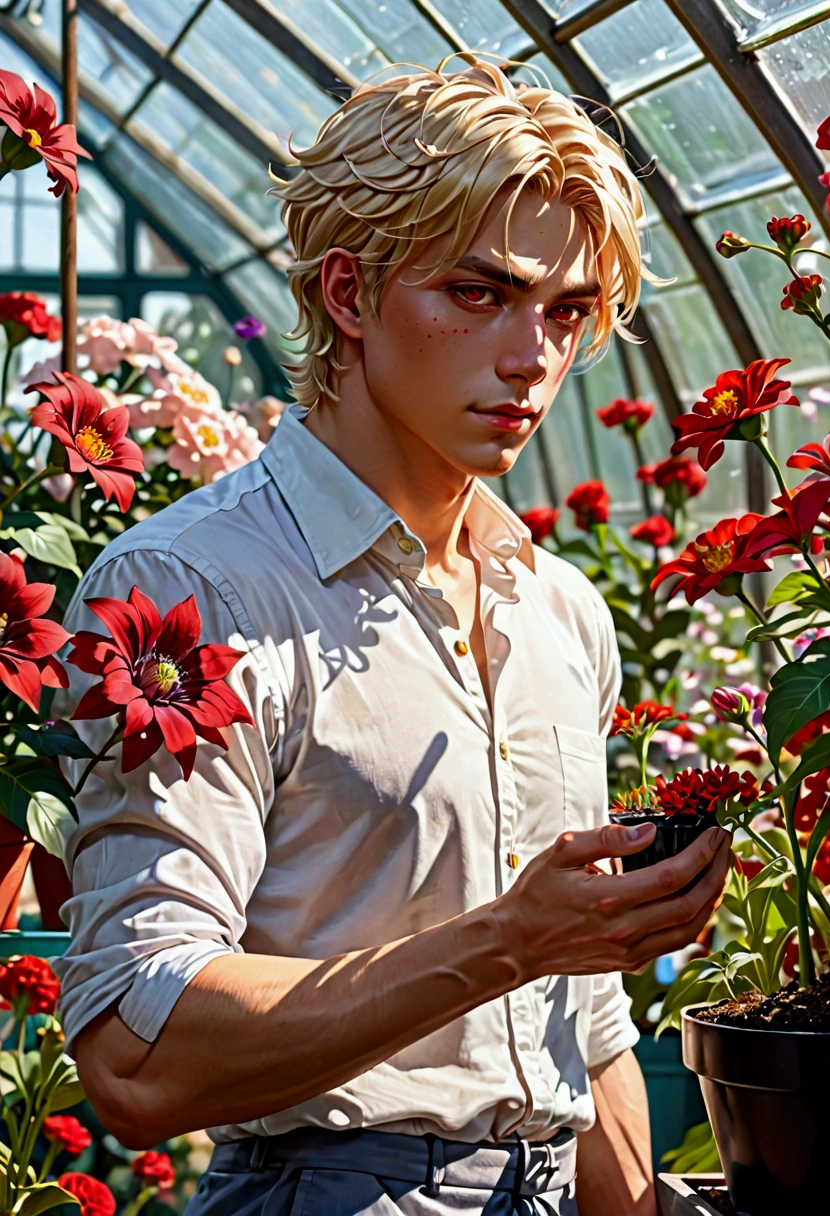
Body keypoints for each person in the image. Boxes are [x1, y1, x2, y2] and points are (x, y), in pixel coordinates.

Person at [55, 57, 731, 1216]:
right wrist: (512, 940)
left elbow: (585, 1029)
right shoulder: (195, 588)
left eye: (567, 312)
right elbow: (135, 1047)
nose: (533, 356)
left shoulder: (558, 607)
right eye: (480, 293)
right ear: (347, 294)